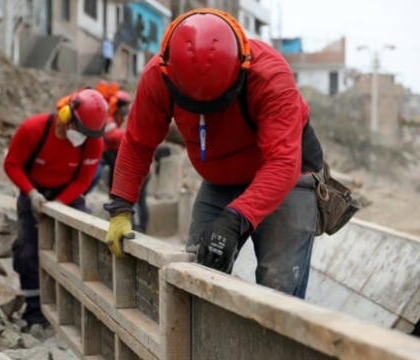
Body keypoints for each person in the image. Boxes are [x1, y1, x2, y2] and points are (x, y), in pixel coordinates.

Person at [103, 9, 324, 299]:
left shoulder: (270, 76)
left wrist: (235, 219)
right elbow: (137, 143)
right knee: (196, 271)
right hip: (221, 180)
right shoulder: (158, 74)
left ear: (241, 70)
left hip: (287, 180)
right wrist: (121, 208)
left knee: (278, 284)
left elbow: (282, 163)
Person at [4, 89, 107, 325]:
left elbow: (83, 180)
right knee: (28, 251)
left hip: (68, 195)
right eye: (80, 131)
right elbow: (12, 164)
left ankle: (80, 308)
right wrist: (31, 194)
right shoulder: (34, 130)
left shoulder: (92, 142)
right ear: (65, 116)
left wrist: (57, 206)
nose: (83, 137)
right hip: (34, 190)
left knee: (87, 245)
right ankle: (34, 314)